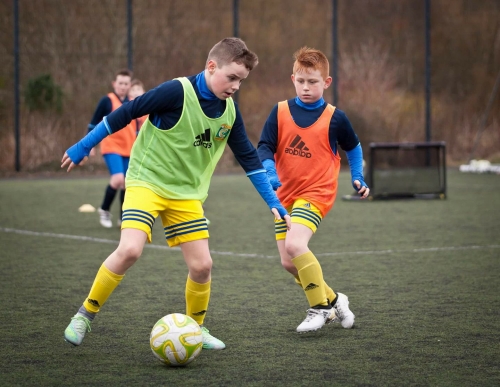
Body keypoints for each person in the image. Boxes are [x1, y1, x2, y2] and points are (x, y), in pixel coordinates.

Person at [61, 37, 291, 350]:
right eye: (232, 77)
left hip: (186, 195)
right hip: (147, 182)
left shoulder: (230, 112)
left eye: (241, 81)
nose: (236, 86)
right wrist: (84, 145)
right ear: (212, 66)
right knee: (130, 250)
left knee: (202, 266)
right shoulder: (176, 92)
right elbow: (126, 112)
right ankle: (84, 315)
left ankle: (195, 329)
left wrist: (272, 201)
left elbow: (249, 159)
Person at [257, 47, 370, 333]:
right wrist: (269, 171)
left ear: (327, 82)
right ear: (292, 78)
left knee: (296, 246)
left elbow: (354, 148)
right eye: (301, 81)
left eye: (314, 82)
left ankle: (319, 309)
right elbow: (264, 147)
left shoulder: (336, 118)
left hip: (316, 193)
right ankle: (333, 299)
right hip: (284, 196)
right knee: (288, 262)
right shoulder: (280, 111)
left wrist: (357, 176)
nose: (306, 88)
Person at [87, 69, 135, 228]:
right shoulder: (107, 101)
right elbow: (93, 123)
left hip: (129, 148)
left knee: (127, 183)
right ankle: (104, 209)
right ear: (114, 84)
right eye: (120, 83)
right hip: (111, 146)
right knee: (118, 179)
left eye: (126, 83)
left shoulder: (133, 102)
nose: (123, 86)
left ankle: (123, 216)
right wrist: (90, 145)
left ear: (130, 85)